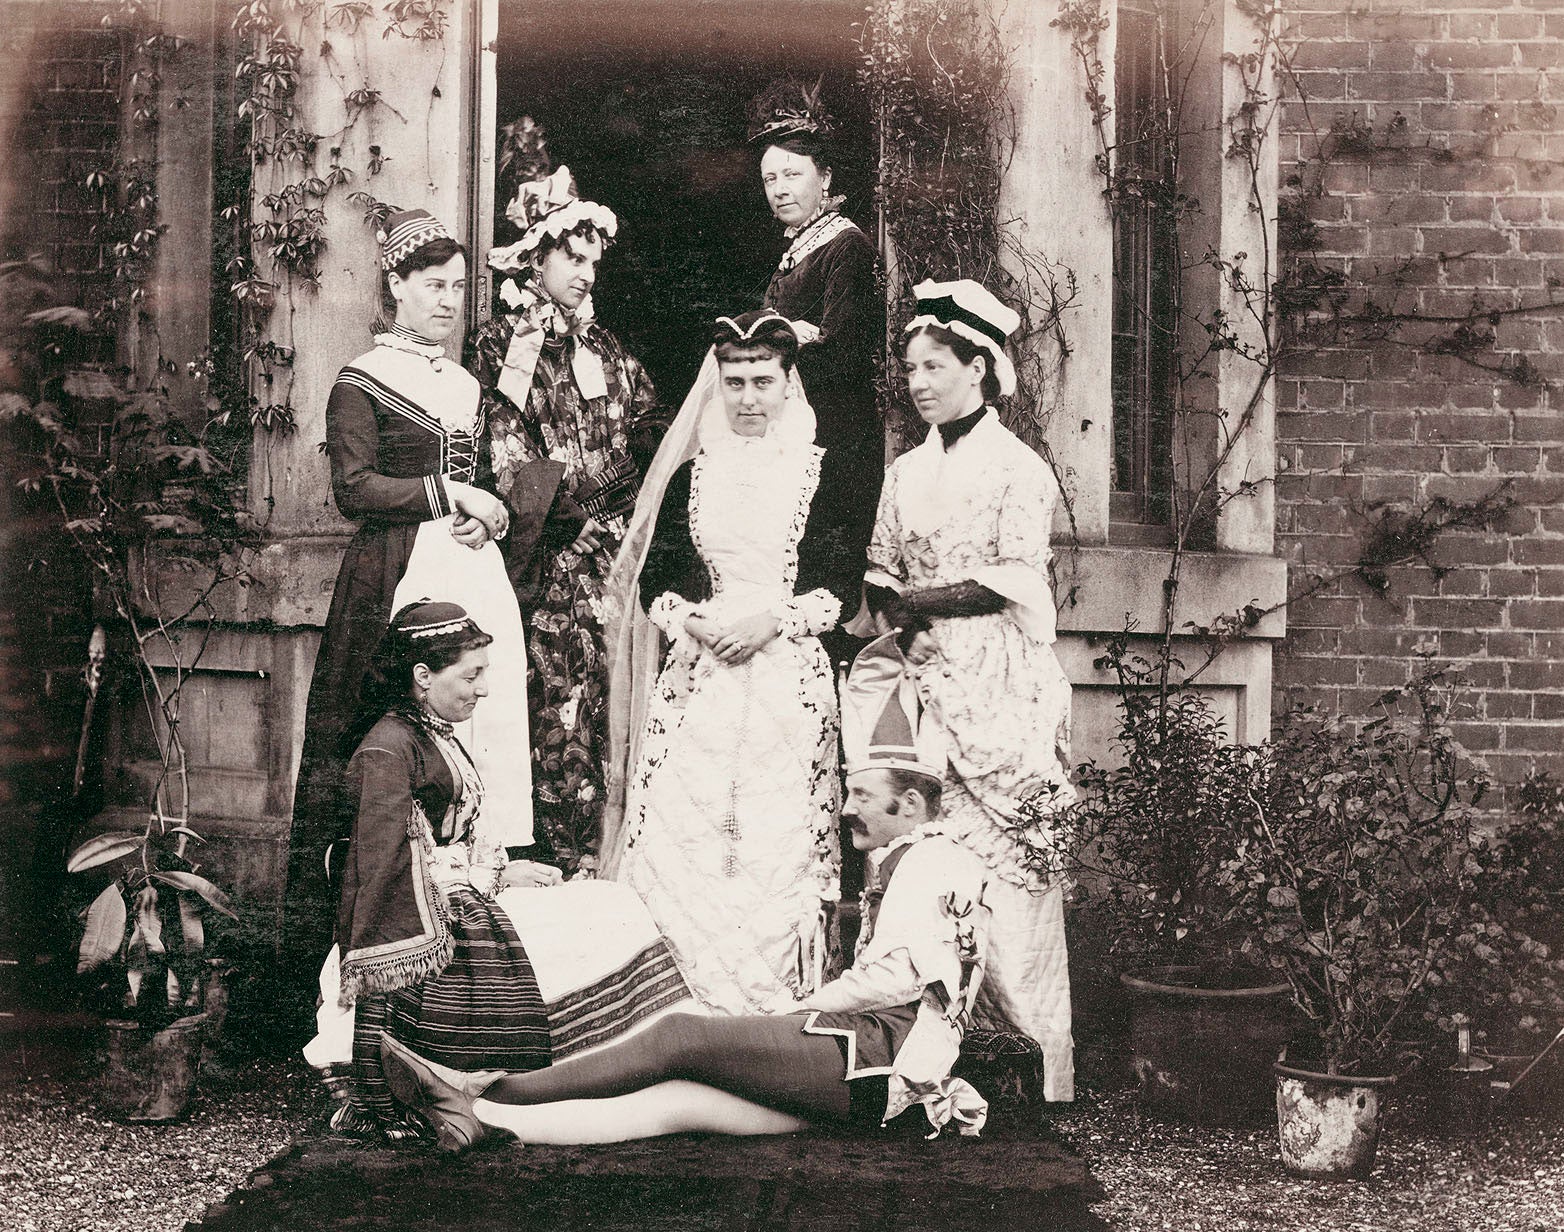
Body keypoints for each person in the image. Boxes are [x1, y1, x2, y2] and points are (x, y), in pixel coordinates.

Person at [379, 630, 990, 1149]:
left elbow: (897, 977)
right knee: (677, 1103)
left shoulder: (930, 862)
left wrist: (795, 1011)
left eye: (862, 796)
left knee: (682, 1036)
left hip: (881, 1052)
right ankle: (485, 1121)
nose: (847, 808)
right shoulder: (930, 858)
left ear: (910, 804)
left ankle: (475, 1087)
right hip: (888, 1085)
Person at [306, 600, 694, 1140]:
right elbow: (388, 869)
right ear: (423, 675)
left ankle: (632, 1060)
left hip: (457, 896)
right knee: (601, 916)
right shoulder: (387, 750)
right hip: (426, 927)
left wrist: (504, 872)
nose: (483, 688)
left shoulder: (429, 731)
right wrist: (491, 882)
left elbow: (452, 841)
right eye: (471, 674)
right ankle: (595, 1065)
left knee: (613, 901)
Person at [281, 210, 534, 1015]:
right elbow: (352, 489)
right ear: (396, 287)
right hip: (391, 576)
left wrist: (487, 512)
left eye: (460, 288)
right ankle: (356, 976)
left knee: (482, 734)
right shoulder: (360, 379)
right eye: (434, 286)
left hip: (467, 572)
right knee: (384, 749)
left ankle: (475, 964)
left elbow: (487, 473)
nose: (449, 301)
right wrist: (444, 495)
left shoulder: (462, 385)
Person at [604, 309, 860, 1014]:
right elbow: (659, 577)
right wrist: (691, 618)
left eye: (762, 381)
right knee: (688, 830)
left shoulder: (821, 473)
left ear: (787, 384)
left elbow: (841, 580)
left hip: (785, 673)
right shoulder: (695, 477)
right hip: (703, 675)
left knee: (772, 836)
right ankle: (674, 1002)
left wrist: (773, 620)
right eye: (735, 381)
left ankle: (771, 1006)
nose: (748, 397)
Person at [858, 278, 1076, 1101]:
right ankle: (920, 1059)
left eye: (934, 366)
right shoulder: (907, 469)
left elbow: (1014, 577)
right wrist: (896, 610)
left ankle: (1031, 1066)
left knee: (1012, 857)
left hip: (996, 674)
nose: (918, 382)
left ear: (979, 367)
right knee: (920, 848)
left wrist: (919, 602)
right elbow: (882, 563)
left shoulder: (1021, 470)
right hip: (920, 672)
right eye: (911, 368)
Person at [465, 162, 664, 876]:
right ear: (536, 259)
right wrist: (565, 517)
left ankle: (611, 868)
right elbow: (505, 444)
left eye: (592, 263)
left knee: (619, 706)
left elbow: (651, 431)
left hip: (617, 560)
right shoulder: (502, 345)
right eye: (571, 259)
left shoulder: (609, 351)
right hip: (553, 565)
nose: (584, 274)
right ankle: (560, 864)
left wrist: (619, 490)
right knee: (559, 713)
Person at [750, 79, 883, 651]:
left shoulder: (845, 246)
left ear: (825, 177)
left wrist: (786, 343)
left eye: (792, 174)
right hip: (797, 439)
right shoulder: (795, 249)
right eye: (769, 179)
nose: (780, 189)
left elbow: (845, 347)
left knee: (819, 596)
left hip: (835, 438)